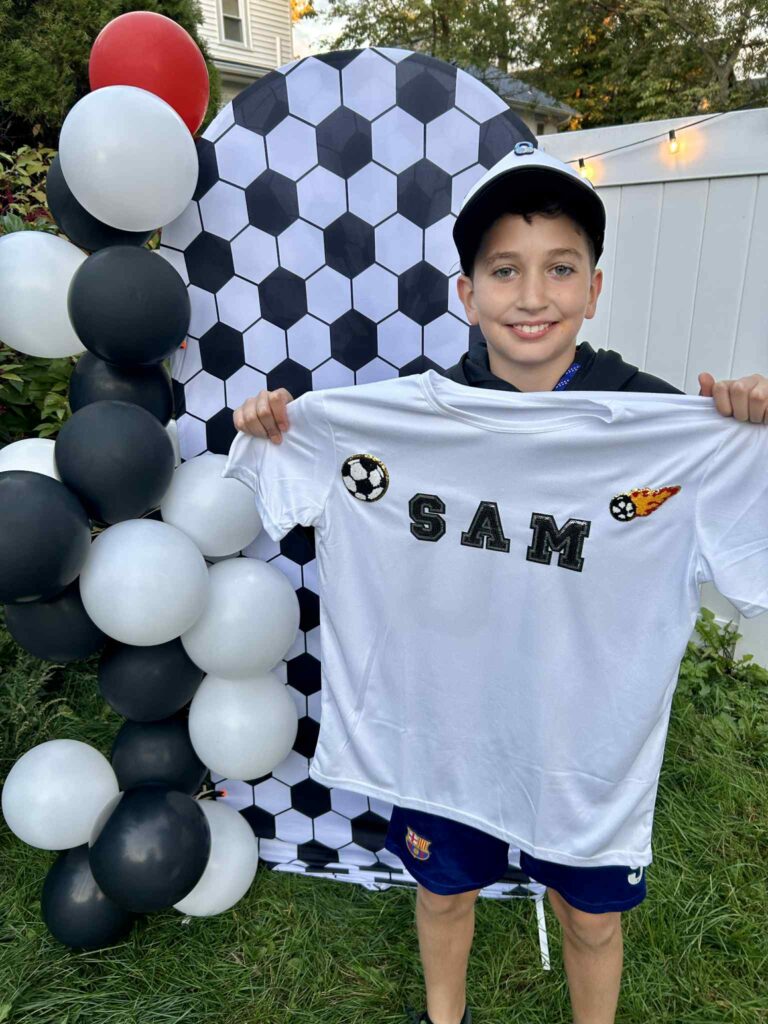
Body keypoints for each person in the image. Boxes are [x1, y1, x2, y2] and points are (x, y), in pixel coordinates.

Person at [230, 143, 768, 1024]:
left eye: (561, 268)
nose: (532, 295)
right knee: (442, 894)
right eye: (504, 270)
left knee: (591, 920)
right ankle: (447, 1017)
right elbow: (294, 470)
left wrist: (747, 430)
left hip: (586, 747)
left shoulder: (663, 427)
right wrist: (275, 427)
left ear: (594, 289)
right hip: (445, 729)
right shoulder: (402, 419)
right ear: (466, 293)